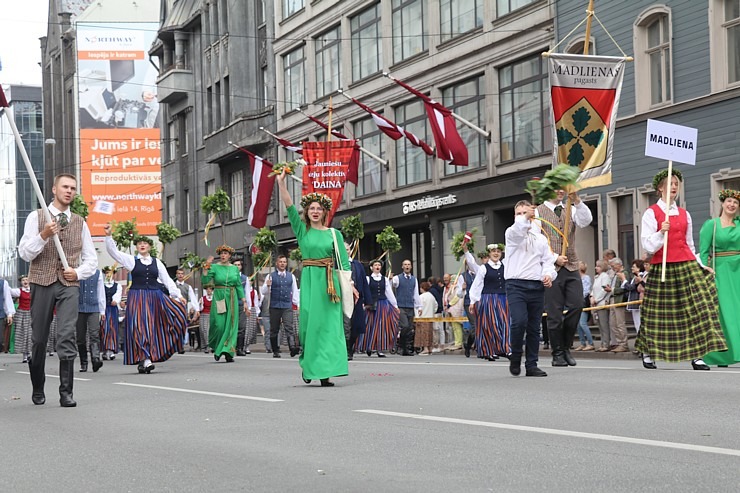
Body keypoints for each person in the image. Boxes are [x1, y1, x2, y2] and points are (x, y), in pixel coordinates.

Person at [18, 173, 98, 407]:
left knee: (66, 335)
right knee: (40, 338)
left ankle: (66, 392)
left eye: (73, 188)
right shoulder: (37, 216)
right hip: (41, 282)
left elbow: (91, 260)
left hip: (68, 284)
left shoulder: (80, 222)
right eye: (65, 187)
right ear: (54, 189)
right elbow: (24, 252)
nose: (69, 191)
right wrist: (43, 235)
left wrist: (78, 273)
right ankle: (38, 386)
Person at [635, 169, 726, 370]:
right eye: (670, 183)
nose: (674, 187)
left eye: (677, 183)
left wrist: (702, 266)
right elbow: (648, 246)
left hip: (686, 265)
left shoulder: (685, 214)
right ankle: (649, 351)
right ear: (660, 188)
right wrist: (661, 232)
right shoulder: (652, 213)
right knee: (656, 313)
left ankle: (698, 355)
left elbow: (690, 245)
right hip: (663, 266)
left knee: (698, 308)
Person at [277, 172, 351, 387]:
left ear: (324, 211)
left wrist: (350, 285)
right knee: (310, 327)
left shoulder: (334, 234)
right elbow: (290, 208)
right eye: (312, 208)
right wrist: (281, 184)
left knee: (330, 327)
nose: (315, 211)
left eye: (319, 208)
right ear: (307, 212)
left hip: (330, 286)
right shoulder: (302, 231)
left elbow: (344, 263)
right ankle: (309, 365)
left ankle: (325, 372)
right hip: (310, 281)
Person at [104, 228, 187, 373]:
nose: (142, 245)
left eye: (145, 243)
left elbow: (167, 280)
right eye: (139, 243)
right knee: (140, 327)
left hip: (155, 297)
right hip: (137, 297)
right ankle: (146, 359)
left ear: (149, 246)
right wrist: (108, 236)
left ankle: (147, 357)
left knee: (158, 324)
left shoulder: (157, 262)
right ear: (136, 246)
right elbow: (114, 253)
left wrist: (178, 295)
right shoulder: (131, 260)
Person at [536, 188, 593, 367]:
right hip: (550, 267)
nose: (560, 191)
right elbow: (536, 242)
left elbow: (586, 220)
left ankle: (566, 345)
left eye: (563, 188)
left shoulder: (571, 209)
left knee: (577, 305)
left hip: (571, 265)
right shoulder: (539, 212)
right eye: (556, 187)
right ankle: (558, 353)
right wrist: (554, 258)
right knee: (554, 314)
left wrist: (577, 200)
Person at [505, 200, 557, 377]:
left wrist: (549, 275)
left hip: (536, 286)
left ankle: (532, 364)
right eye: (519, 213)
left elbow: (548, 261)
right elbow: (519, 230)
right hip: (516, 285)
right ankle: (516, 355)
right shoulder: (511, 233)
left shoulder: (541, 238)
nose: (523, 216)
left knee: (534, 328)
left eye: (525, 213)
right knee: (518, 321)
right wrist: (524, 216)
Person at [699, 189, 740, 367]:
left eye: (736, 203)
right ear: (722, 203)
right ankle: (722, 356)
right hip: (720, 272)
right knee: (724, 313)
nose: (732, 205)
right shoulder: (712, 225)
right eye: (729, 201)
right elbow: (703, 252)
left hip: (738, 269)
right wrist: (705, 271)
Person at [201, 245, 248, 363]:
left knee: (231, 326)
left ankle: (228, 352)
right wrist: (206, 266)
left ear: (230, 256)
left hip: (232, 297)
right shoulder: (215, 267)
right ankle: (217, 347)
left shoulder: (234, 269)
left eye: (225, 253)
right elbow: (205, 281)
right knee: (219, 324)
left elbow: (238, 285)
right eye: (221, 253)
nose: (223, 255)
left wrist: (244, 301)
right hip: (219, 297)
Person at [469, 243, 510, 361]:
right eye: (493, 251)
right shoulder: (484, 268)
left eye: (498, 251)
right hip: (489, 298)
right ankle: (489, 350)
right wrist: (473, 301)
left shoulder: (505, 266)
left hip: (503, 298)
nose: (496, 253)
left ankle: (505, 348)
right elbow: (477, 285)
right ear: (489, 254)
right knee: (490, 325)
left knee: (505, 324)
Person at [357, 259, 399, 357]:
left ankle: (379, 348)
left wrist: (395, 305)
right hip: (371, 304)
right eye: (375, 265)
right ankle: (368, 346)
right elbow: (365, 292)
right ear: (371, 267)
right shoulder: (368, 279)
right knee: (369, 325)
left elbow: (389, 292)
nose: (377, 267)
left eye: (379, 265)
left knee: (381, 326)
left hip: (383, 304)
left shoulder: (384, 279)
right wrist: (364, 303)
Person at [260, 255, 299, 358]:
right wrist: (267, 285)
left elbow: (294, 291)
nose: (282, 264)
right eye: (280, 262)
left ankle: (292, 348)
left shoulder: (291, 276)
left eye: (284, 262)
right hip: (275, 305)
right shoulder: (270, 276)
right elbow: (264, 292)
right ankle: (275, 350)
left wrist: (296, 304)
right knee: (274, 329)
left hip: (287, 305)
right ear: (277, 263)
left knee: (289, 327)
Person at [344, 242, 372, 361]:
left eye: (348, 249)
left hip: (357, 300)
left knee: (357, 325)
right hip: (343, 300)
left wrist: (368, 300)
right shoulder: (337, 264)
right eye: (344, 249)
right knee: (345, 325)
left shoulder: (358, 265)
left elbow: (364, 283)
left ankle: (351, 348)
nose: (346, 251)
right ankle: (345, 350)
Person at [76, 268, 105, 372]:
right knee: (80, 337)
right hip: (79, 308)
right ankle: (83, 362)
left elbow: (100, 291)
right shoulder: (77, 271)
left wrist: (102, 310)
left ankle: (95, 359)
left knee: (94, 333)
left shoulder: (97, 273)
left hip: (94, 307)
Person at [391, 260, 422, 356]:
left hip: (410, 306)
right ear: (402, 267)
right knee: (404, 326)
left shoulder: (414, 279)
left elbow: (415, 293)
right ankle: (401, 345)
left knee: (409, 328)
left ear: (411, 267)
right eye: (405, 265)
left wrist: (419, 306)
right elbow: (392, 285)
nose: (407, 266)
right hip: (401, 306)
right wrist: (390, 279)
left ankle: (406, 348)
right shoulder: (397, 278)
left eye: (408, 265)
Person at [457, 251, 481, 358]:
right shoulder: (463, 277)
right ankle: (474, 346)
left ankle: (469, 344)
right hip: (468, 302)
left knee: (481, 325)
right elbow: (459, 294)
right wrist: (462, 289)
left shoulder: (479, 272)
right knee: (475, 325)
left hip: (480, 301)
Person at [604, 257, 629, 352]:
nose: (612, 268)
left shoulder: (624, 273)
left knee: (620, 323)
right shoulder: (615, 274)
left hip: (619, 300)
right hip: (613, 299)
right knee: (613, 323)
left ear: (619, 265)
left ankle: (623, 343)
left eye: (613, 266)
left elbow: (625, 288)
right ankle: (619, 342)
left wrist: (612, 290)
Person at [590, 260, 612, 352]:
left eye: (598, 266)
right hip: (595, 303)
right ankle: (602, 343)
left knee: (604, 324)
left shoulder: (605, 276)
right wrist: (591, 297)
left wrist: (597, 299)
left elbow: (604, 290)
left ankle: (606, 343)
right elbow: (593, 289)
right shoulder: (597, 277)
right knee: (599, 324)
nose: (596, 268)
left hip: (602, 303)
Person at [231, 259, 252, 356]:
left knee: (242, 327)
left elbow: (247, 292)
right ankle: (231, 347)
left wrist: (248, 306)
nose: (237, 266)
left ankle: (240, 348)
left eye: (238, 265)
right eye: (235, 264)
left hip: (241, 304)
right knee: (231, 327)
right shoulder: (229, 277)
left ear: (241, 267)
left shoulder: (244, 278)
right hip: (231, 304)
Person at [101, 266, 122, 360]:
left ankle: (112, 349)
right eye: (106, 273)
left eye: (110, 273)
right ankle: (105, 350)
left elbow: (118, 295)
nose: (108, 275)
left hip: (113, 309)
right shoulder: (101, 285)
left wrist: (115, 300)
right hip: (104, 309)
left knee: (113, 328)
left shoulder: (118, 285)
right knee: (105, 329)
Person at [623, 259, 646, 336]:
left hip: (637, 303)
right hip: (634, 303)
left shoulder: (640, 277)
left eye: (634, 267)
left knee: (639, 323)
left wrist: (623, 280)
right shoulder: (635, 277)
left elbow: (631, 287)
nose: (632, 268)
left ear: (639, 268)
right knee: (637, 324)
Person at [574, 261, 594, 351]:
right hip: (576, 302)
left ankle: (590, 343)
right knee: (578, 324)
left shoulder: (586, 278)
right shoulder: (575, 278)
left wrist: (578, 296)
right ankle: (582, 343)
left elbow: (586, 290)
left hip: (583, 302)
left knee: (583, 323)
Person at [9, 275, 30, 360]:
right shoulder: (19, 291)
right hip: (21, 313)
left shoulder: (33, 290)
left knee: (29, 333)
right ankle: (24, 354)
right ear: (21, 282)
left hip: (30, 313)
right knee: (22, 333)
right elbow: (9, 291)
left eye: (26, 280)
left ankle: (28, 352)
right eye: (23, 280)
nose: (25, 281)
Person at [416, 281, 437, 355]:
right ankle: (430, 348)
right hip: (430, 317)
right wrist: (432, 312)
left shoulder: (421, 297)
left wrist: (417, 317)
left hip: (423, 317)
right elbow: (436, 306)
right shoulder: (431, 296)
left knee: (424, 334)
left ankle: (425, 348)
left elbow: (418, 308)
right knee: (430, 333)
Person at [0, 276, 15, 354]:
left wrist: (10, 314)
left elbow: (7, 298)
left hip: (0, 315)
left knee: (0, 340)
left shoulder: (3, 283)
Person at [199, 284, 214, 353]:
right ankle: (205, 345)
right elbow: (200, 309)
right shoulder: (202, 298)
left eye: (210, 289)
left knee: (209, 330)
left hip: (211, 315)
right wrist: (200, 304)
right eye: (207, 289)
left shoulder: (214, 298)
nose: (209, 290)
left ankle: (210, 345)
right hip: (203, 315)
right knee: (203, 330)